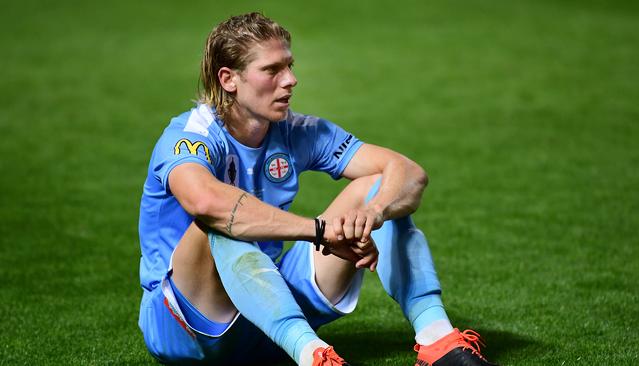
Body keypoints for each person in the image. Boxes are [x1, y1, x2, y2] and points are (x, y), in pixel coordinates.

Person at [138, 12, 498, 366]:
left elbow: (408, 173)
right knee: (218, 221)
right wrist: (321, 232)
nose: (291, 79)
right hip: (185, 325)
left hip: (264, 311)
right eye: (272, 70)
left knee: (378, 187)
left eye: (289, 65)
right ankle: (313, 356)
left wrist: (374, 213)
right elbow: (205, 201)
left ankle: (436, 339)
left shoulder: (297, 131)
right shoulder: (190, 136)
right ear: (229, 79)